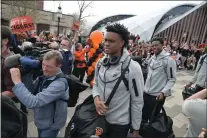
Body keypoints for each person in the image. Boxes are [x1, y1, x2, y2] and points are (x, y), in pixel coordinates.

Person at [92, 23, 144, 138]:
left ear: (122, 43)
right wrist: (96, 99)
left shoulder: (133, 68)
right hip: (100, 119)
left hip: (119, 125)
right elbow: (95, 84)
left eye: (111, 41)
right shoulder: (100, 63)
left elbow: (137, 101)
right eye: (105, 40)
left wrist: (135, 129)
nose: (106, 43)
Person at [10, 50, 69, 138]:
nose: (44, 69)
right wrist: (28, 73)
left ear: (59, 66)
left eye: (48, 66)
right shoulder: (47, 75)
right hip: (42, 120)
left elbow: (33, 102)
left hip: (51, 125)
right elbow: (30, 90)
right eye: (43, 64)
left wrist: (17, 82)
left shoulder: (59, 84)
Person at [142, 37, 176, 124]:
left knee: (154, 119)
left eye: (156, 45)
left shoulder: (169, 60)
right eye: (153, 45)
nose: (154, 47)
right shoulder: (152, 58)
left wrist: (163, 92)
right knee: (143, 116)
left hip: (157, 95)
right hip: (146, 93)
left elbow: (172, 79)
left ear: (162, 45)